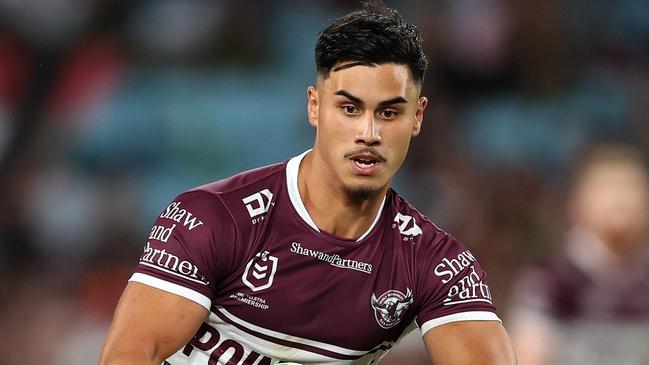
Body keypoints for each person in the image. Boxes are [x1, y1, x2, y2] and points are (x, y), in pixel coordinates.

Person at [99, 2, 516, 364]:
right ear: (314, 108)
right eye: (349, 108)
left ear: (418, 118)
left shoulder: (433, 262)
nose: (368, 133)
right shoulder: (214, 218)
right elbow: (130, 354)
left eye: (389, 113)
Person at [508, 144, 649, 365]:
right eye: (608, 188)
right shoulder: (550, 281)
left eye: (631, 188)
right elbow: (528, 355)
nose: (621, 200)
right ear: (578, 203)